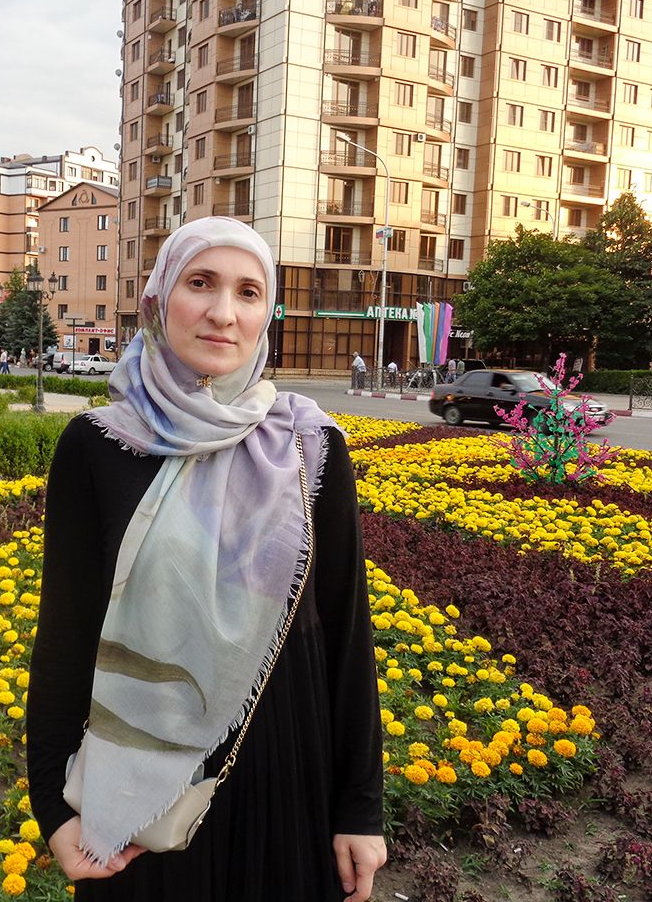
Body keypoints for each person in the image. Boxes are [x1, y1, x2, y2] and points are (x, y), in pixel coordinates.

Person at [28, 217, 386, 901]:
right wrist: (53, 805)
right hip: (142, 792)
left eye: (249, 292)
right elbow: (65, 636)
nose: (224, 312)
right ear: (159, 300)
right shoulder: (97, 446)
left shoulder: (309, 447)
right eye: (201, 283)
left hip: (288, 767)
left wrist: (360, 808)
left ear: (267, 313)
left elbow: (347, 633)